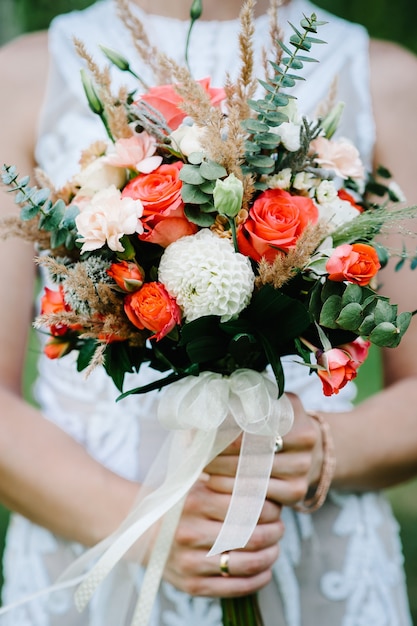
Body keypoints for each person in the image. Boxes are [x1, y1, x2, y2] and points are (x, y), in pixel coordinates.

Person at [0, 0, 417, 624]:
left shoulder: (388, 81)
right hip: (93, 552)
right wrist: (140, 527)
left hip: (308, 562)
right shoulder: (24, 76)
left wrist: (325, 448)